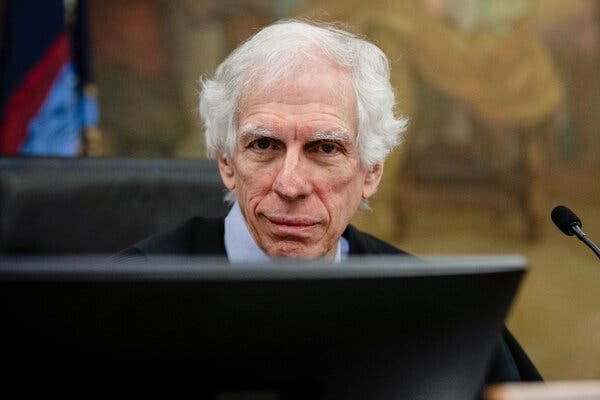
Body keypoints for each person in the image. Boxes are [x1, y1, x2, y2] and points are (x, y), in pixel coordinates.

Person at [118, 18, 541, 390]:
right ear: (227, 163)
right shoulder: (127, 298)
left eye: (324, 148)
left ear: (371, 172)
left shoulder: (438, 313)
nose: (290, 184)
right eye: (263, 144)